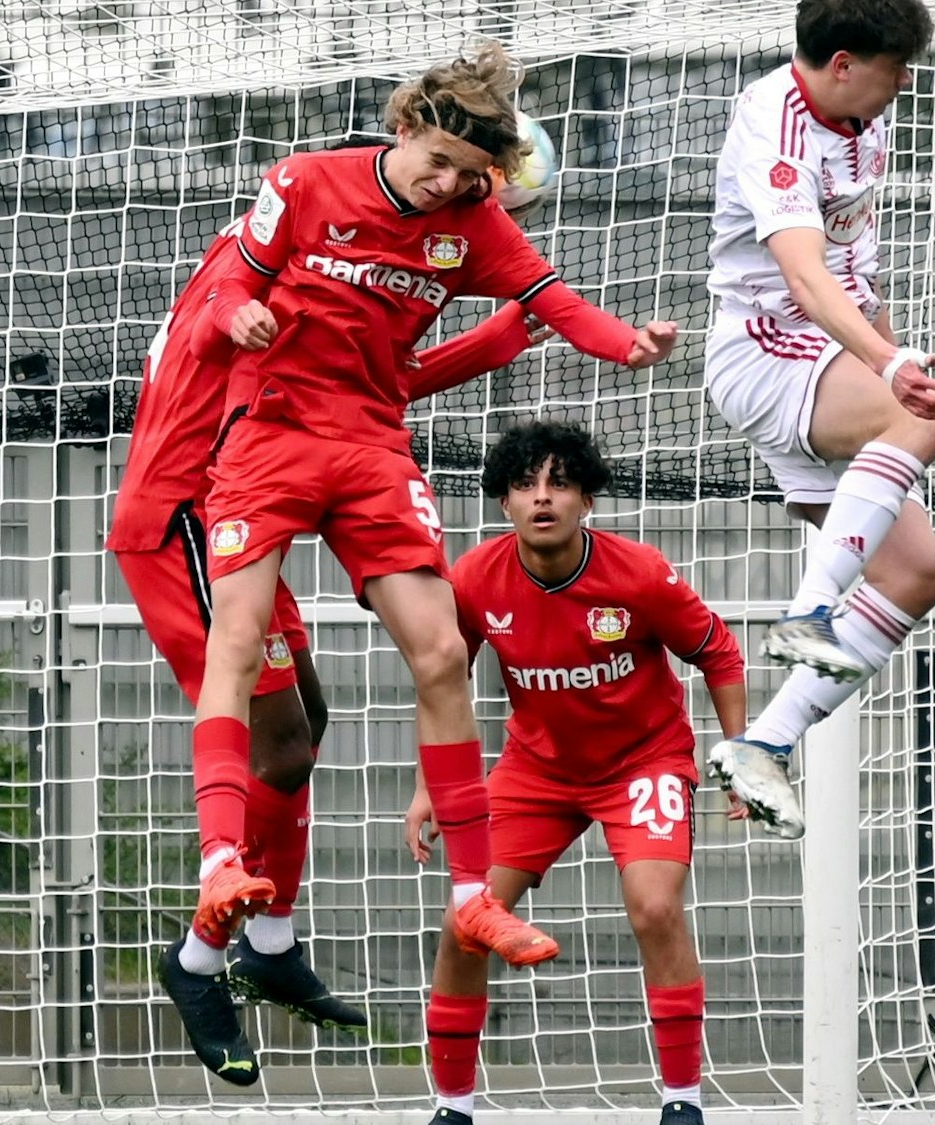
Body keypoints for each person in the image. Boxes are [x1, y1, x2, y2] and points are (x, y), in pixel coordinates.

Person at [172, 41, 678, 1078]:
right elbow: (227, 291)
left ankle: (468, 899)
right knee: (236, 639)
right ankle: (221, 864)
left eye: (467, 175)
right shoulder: (302, 181)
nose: (446, 186)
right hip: (265, 433)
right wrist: (241, 314)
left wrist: (624, 345)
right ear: (401, 128)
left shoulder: (470, 225)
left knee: (442, 650)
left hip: (366, 445)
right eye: (436, 162)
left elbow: (546, 299)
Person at [116, 203, 548, 1081]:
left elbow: (356, 386)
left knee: (306, 724)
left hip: (242, 507)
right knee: (275, 742)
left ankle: (270, 944)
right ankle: (198, 963)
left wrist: (493, 340)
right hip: (185, 520)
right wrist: (490, 338)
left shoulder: (300, 266)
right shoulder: (258, 267)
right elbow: (231, 341)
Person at [416, 422, 745, 1125]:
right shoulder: (474, 577)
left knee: (654, 904)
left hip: (643, 761)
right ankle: (452, 1107)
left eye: (560, 483)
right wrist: (429, 786)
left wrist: (740, 755)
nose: (542, 497)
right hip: (537, 769)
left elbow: (720, 652)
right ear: (502, 501)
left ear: (587, 500)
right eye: (525, 484)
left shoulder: (638, 573)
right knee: (464, 924)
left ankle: (683, 1101)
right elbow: (439, 675)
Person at [701, 0, 935, 839]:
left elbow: (851, 275)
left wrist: (887, 350)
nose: (904, 83)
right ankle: (808, 613)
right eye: (893, 67)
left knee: (915, 573)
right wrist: (891, 369)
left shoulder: (858, 120)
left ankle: (764, 744)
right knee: (918, 416)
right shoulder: (773, 119)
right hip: (765, 352)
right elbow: (805, 280)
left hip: (822, 357)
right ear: (843, 62)